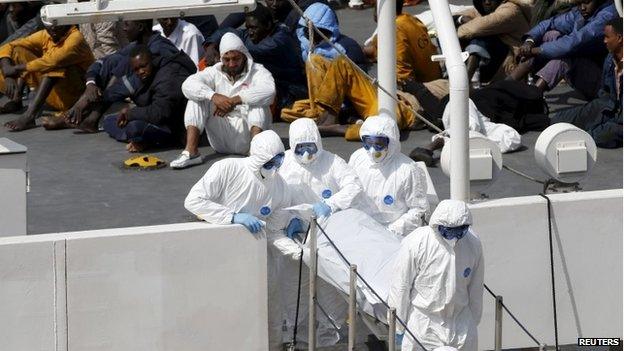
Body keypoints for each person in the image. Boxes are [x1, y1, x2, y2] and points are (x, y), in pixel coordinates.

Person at [184, 130, 302, 351]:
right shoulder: (228, 168)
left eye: (279, 160)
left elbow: (275, 230)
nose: (275, 167)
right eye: (270, 161)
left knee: (270, 305)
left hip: (257, 255)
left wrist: (294, 249)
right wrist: (232, 217)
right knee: (222, 309)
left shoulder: (280, 187)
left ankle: (273, 346)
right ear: (257, 156)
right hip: (220, 255)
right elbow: (194, 201)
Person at [54, 19, 194, 133]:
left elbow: (128, 85)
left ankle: (85, 116)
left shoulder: (159, 49)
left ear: (139, 27)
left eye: (126, 24)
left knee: (126, 126)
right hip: (149, 102)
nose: (124, 29)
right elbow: (105, 62)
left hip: (167, 113)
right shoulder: (138, 45)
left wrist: (84, 102)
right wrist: (90, 85)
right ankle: (86, 117)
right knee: (115, 62)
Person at [388, 199, 484, 351]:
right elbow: (401, 285)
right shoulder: (417, 242)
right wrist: (398, 326)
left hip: (460, 323)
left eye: (458, 231)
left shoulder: (472, 244)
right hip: (424, 324)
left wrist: (473, 320)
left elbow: (476, 287)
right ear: (437, 225)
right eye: (448, 231)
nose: (453, 237)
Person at [171, 32, 276, 168]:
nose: (231, 64)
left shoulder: (258, 71)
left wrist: (235, 100)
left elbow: (269, 91)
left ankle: (257, 155)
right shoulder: (213, 72)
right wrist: (214, 97)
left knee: (258, 103)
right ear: (221, 58)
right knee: (196, 98)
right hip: (220, 140)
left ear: (244, 55)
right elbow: (187, 85)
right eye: (227, 59)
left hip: (248, 139)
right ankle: (191, 152)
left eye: (235, 59)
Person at [202, 4, 307, 115]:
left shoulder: (280, 39)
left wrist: (226, 49)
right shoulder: (253, 34)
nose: (250, 32)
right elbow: (226, 31)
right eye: (248, 28)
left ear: (268, 25)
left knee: (254, 101)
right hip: (272, 85)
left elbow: (251, 50)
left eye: (253, 28)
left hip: (290, 91)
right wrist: (211, 46)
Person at [509, 0, 618, 99]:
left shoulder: (607, 15)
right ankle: (506, 85)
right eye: (579, 4)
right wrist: (529, 42)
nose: (582, 8)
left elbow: (573, 43)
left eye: (586, 2)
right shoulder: (581, 12)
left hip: (603, 85)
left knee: (567, 55)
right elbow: (550, 23)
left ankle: (532, 97)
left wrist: (533, 51)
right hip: (584, 73)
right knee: (551, 34)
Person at [0, 24, 94, 131]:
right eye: (49, 25)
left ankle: (29, 116)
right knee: (18, 51)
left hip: (77, 98)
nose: (53, 28)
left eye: (57, 24)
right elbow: (8, 46)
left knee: (56, 65)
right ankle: (17, 99)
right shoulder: (46, 34)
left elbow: (52, 61)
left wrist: (16, 69)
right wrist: (8, 74)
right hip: (56, 96)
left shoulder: (76, 37)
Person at [101, 45, 195, 152]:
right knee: (109, 121)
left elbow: (159, 113)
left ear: (153, 61)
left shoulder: (168, 76)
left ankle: (143, 140)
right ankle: (139, 140)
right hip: (160, 118)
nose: (141, 72)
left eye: (143, 66)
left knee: (134, 127)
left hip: (176, 126)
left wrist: (130, 114)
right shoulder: (148, 75)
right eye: (136, 69)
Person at [348, 116, 429, 237]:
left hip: (394, 235)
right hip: (359, 228)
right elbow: (347, 189)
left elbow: (419, 210)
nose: (372, 150)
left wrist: (392, 231)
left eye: (379, 144)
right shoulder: (357, 158)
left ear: (391, 142)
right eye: (368, 144)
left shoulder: (408, 170)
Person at [551, 18, 622, 148]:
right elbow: (604, 93)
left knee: (597, 135)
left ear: (619, 38)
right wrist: (594, 112)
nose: (604, 41)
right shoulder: (610, 59)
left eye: (607, 37)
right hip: (609, 107)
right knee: (559, 121)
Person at [363, 0, 441, 84]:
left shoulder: (393, 30)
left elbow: (403, 74)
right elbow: (374, 48)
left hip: (424, 87)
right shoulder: (409, 19)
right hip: (435, 78)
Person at [455, 0, 533, 82]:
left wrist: (449, 34)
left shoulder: (510, 10)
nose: (487, 2)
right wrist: (460, 19)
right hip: (494, 68)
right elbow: (452, 17)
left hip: (509, 71)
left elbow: (474, 29)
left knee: (482, 37)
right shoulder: (487, 8)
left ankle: (463, 83)